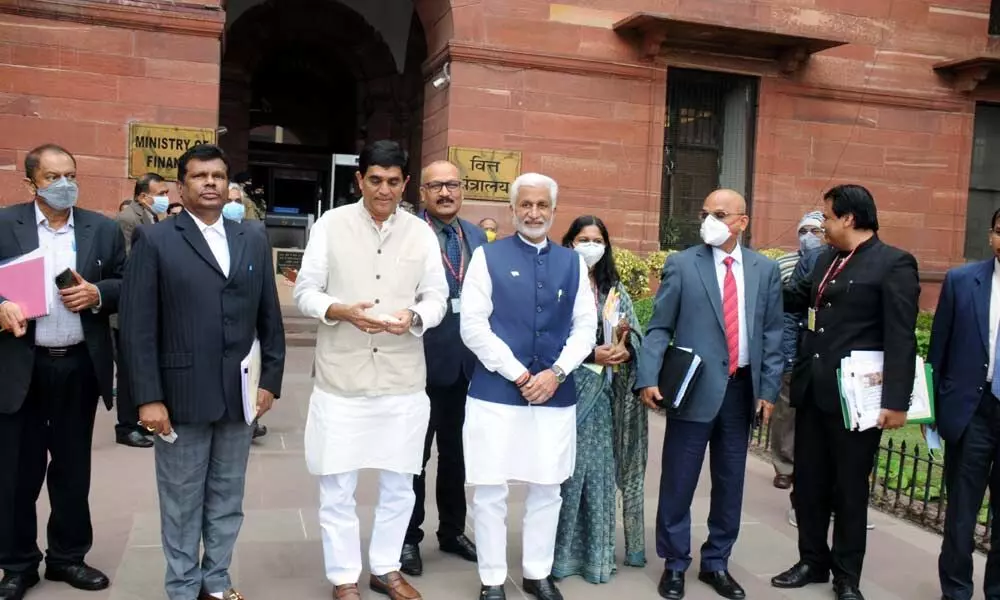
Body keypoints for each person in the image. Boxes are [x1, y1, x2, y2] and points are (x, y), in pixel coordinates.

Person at [119, 144, 286, 600]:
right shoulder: (157, 240)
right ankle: (182, 586)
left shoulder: (250, 236)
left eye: (217, 175)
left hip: (239, 395)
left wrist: (270, 380)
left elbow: (268, 313)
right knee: (181, 500)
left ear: (228, 184)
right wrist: (147, 397)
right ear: (181, 186)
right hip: (179, 395)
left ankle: (216, 581)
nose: (210, 183)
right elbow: (137, 326)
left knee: (227, 500)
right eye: (199, 176)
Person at [293, 140, 448, 600]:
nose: (384, 190)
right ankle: (344, 576)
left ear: (406, 184)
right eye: (375, 180)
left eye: (394, 182)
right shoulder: (330, 225)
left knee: (401, 482)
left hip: (402, 379)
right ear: (359, 179)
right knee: (338, 485)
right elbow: (305, 291)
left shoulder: (421, 234)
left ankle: (385, 568)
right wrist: (340, 310)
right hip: (342, 379)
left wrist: (415, 318)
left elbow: (437, 297)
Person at [772, 184, 919, 600]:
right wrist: (752, 280)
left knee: (849, 490)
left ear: (849, 219)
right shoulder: (824, 261)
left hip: (857, 401)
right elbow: (797, 299)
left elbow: (901, 336)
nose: (823, 226)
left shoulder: (893, 264)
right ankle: (811, 561)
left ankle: (846, 575)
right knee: (810, 484)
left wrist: (895, 401)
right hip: (815, 390)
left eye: (828, 218)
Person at [636, 189, 784, 600]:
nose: (710, 220)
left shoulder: (763, 270)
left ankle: (716, 562)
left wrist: (769, 390)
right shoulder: (682, 265)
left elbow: (772, 334)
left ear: (742, 221)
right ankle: (675, 563)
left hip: (741, 393)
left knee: (730, 482)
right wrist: (648, 376)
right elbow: (660, 327)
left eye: (719, 214)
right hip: (693, 390)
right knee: (679, 480)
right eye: (705, 213)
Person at [460, 172, 597, 600]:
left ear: (554, 212)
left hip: (553, 395)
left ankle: (538, 573)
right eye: (526, 205)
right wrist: (518, 373)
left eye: (542, 206)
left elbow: (585, 327)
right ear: (513, 210)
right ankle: (492, 579)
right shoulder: (487, 257)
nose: (533, 213)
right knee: (489, 490)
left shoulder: (573, 261)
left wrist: (555, 373)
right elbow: (472, 325)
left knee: (548, 487)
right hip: (496, 394)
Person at [0, 143, 126, 599]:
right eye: (52, 176)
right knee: (16, 472)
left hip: (78, 364)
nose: (63, 184)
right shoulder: (4, 224)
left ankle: (68, 558)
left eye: (69, 174)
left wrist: (98, 294)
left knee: (73, 470)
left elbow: (124, 281)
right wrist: (1, 306)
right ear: (30, 181)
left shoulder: (102, 229)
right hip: (21, 366)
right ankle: (17, 564)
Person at [399, 161, 486, 576]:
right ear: (422, 193)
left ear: (462, 189)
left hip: (467, 366)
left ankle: (451, 531)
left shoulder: (476, 235)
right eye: (436, 186)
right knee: (413, 456)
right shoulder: (407, 232)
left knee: (457, 454)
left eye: (452, 184)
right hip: (418, 362)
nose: (445, 192)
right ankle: (407, 539)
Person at [552, 215, 647, 584]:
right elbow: (545, 337)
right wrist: (592, 355)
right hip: (563, 388)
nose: (589, 245)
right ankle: (560, 555)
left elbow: (634, 331)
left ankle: (595, 555)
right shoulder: (556, 284)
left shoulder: (613, 289)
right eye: (582, 238)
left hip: (602, 395)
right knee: (565, 475)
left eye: (596, 239)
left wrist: (626, 349)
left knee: (599, 473)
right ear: (569, 243)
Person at [930, 206, 1000, 600]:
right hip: (970, 410)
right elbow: (939, 347)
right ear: (990, 235)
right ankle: (955, 591)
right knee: (961, 511)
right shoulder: (961, 281)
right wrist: (930, 410)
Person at [112, 172, 170, 449]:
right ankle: (125, 427)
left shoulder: (152, 216)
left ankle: (140, 422)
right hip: (127, 308)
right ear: (143, 195)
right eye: (161, 193)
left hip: (150, 306)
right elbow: (127, 262)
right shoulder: (128, 219)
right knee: (127, 370)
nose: (165, 198)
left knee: (142, 368)